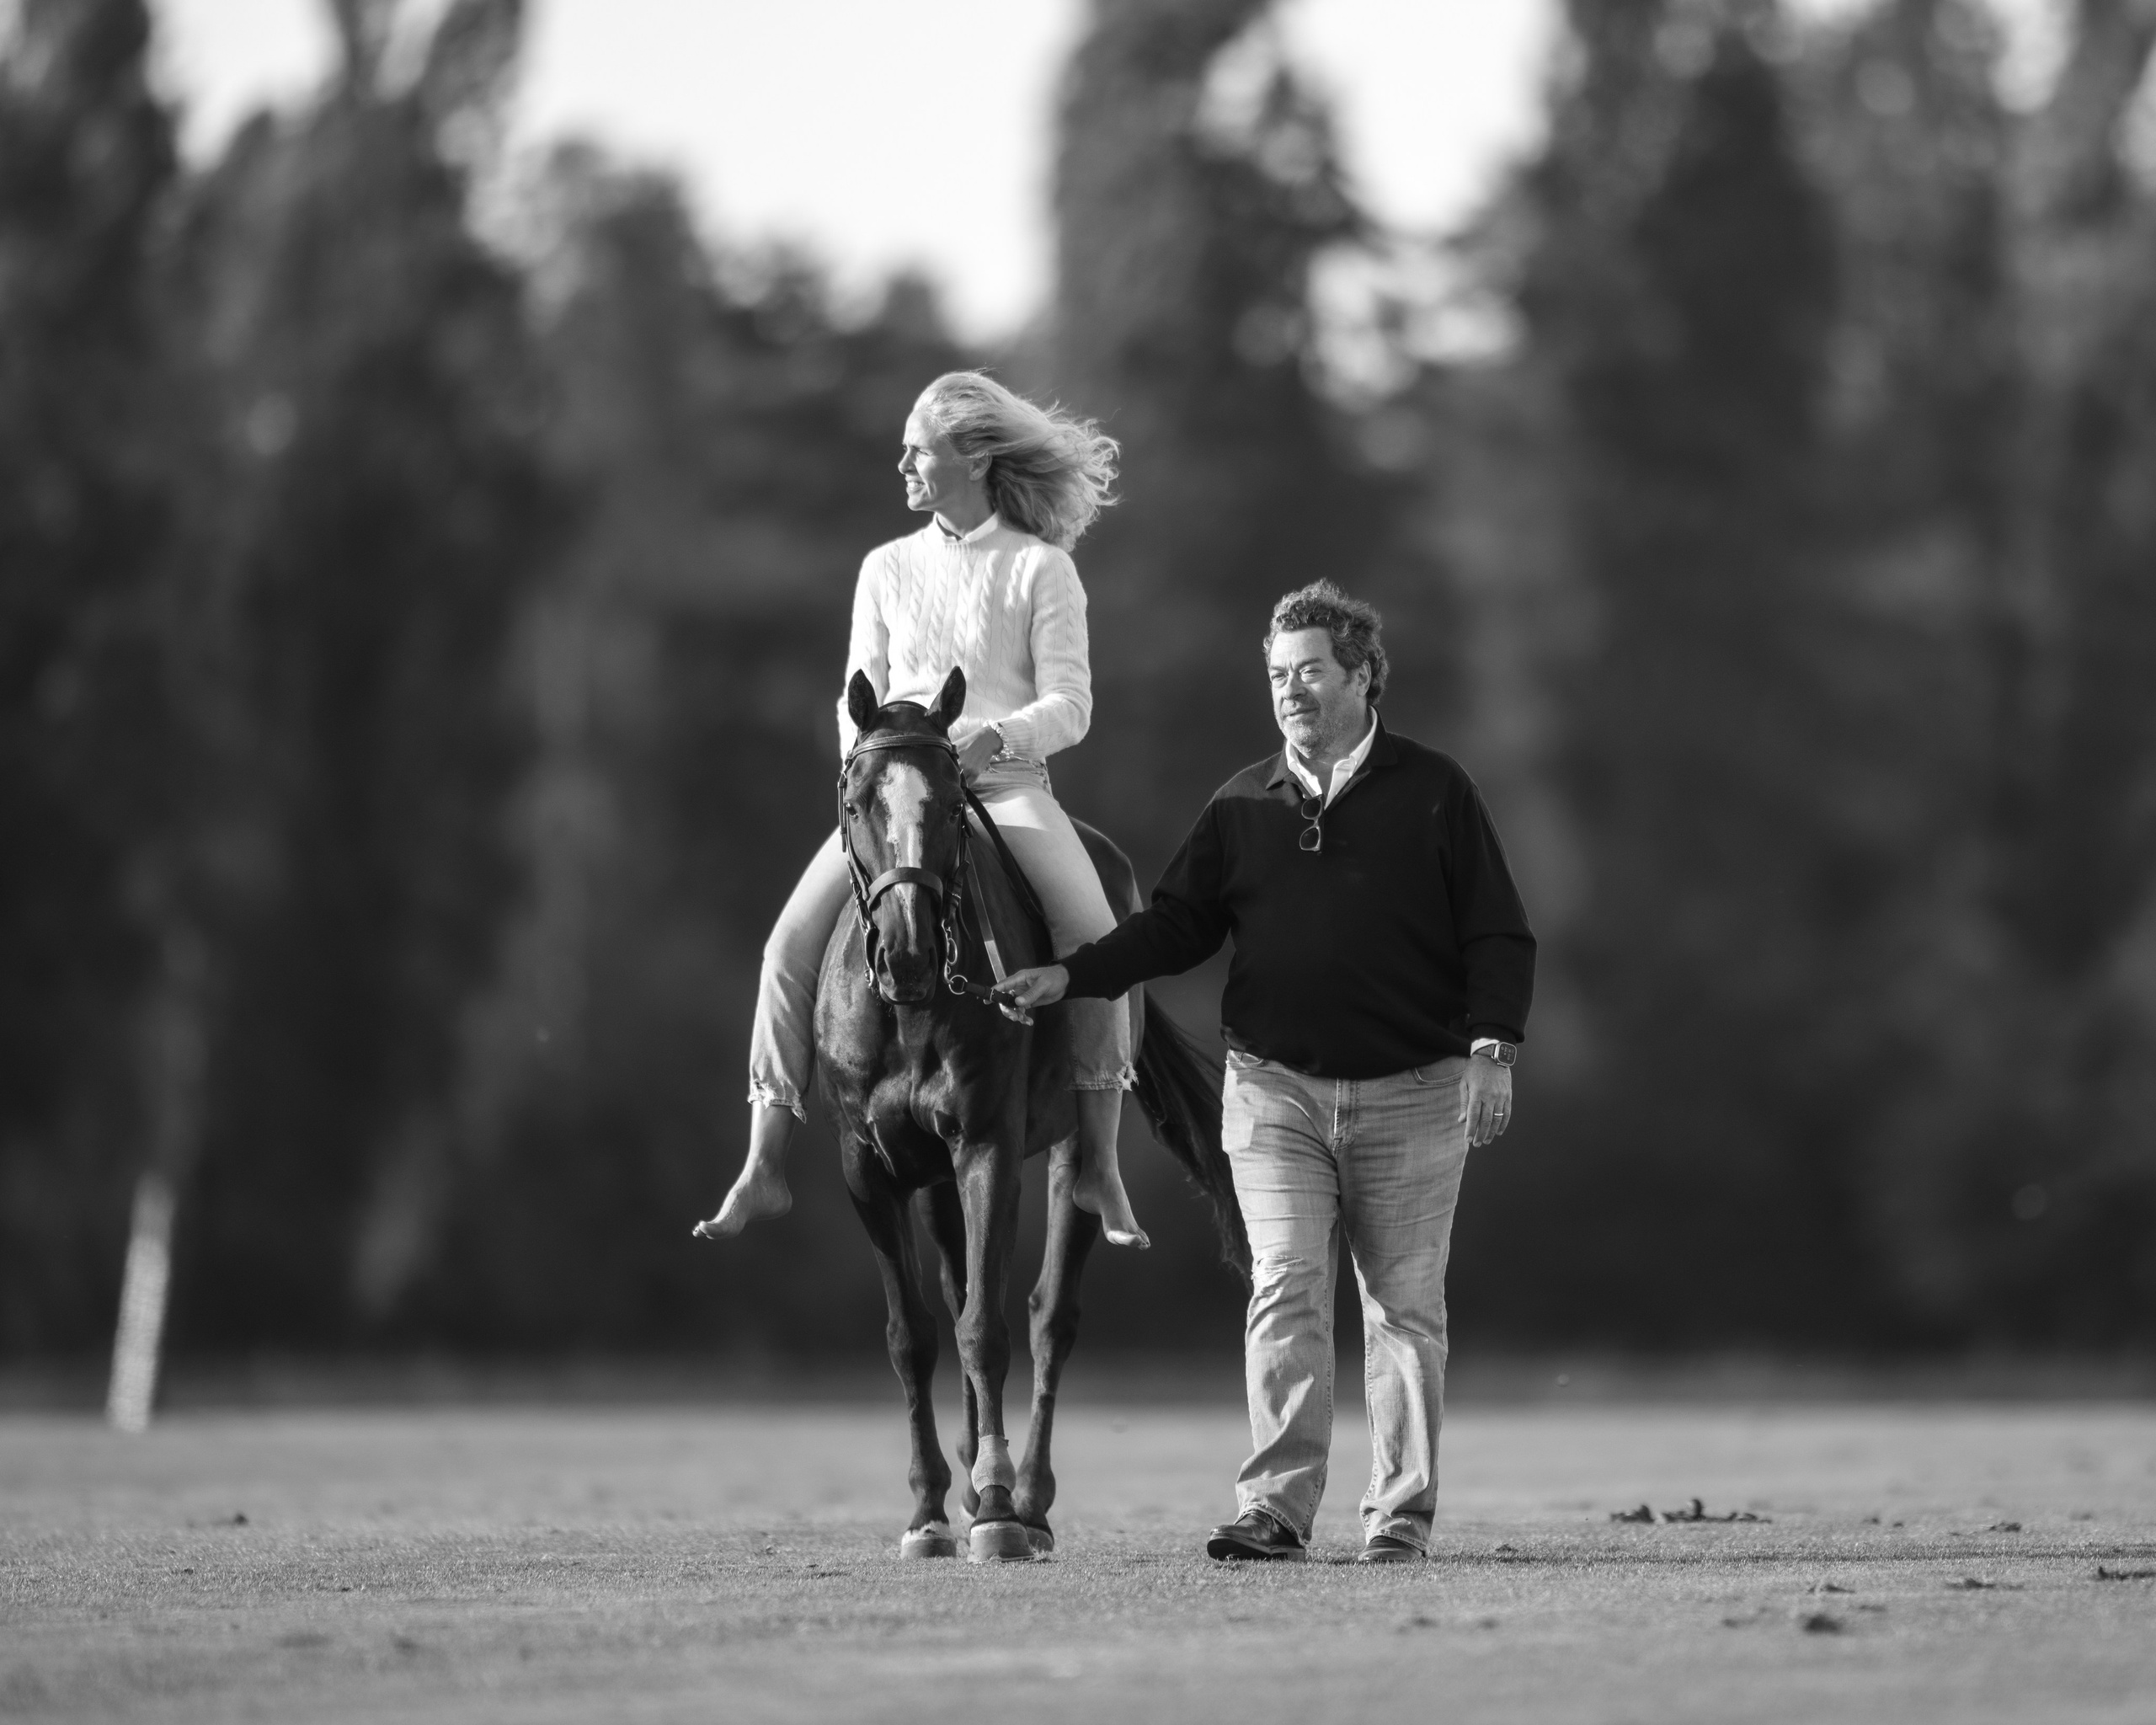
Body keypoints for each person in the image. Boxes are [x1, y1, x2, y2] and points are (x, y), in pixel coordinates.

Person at [994, 580, 1534, 1562]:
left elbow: (1497, 930)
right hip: (1274, 1090)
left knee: (1402, 1308)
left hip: (1415, 1091)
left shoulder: (1436, 789)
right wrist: (1071, 974)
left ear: (1363, 675)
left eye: (1310, 672)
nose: (1290, 690)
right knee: (1284, 1285)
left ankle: (1398, 1517)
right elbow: (1174, 926)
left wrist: (1493, 1048)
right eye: (1277, 675)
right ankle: (1276, 1509)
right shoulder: (1242, 800)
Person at [694, 371, 1149, 1249]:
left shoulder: (1042, 568)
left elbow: (1072, 704)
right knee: (787, 945)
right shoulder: (884, 567)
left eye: (919, 447)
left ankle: (1097, 1161)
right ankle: (764, 1158)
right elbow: (852, 699)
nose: (902, 461)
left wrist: (998, 738)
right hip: (895, 797)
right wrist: (868, 780)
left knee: (1096, 936)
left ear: (971, 457)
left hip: (1005, 786)